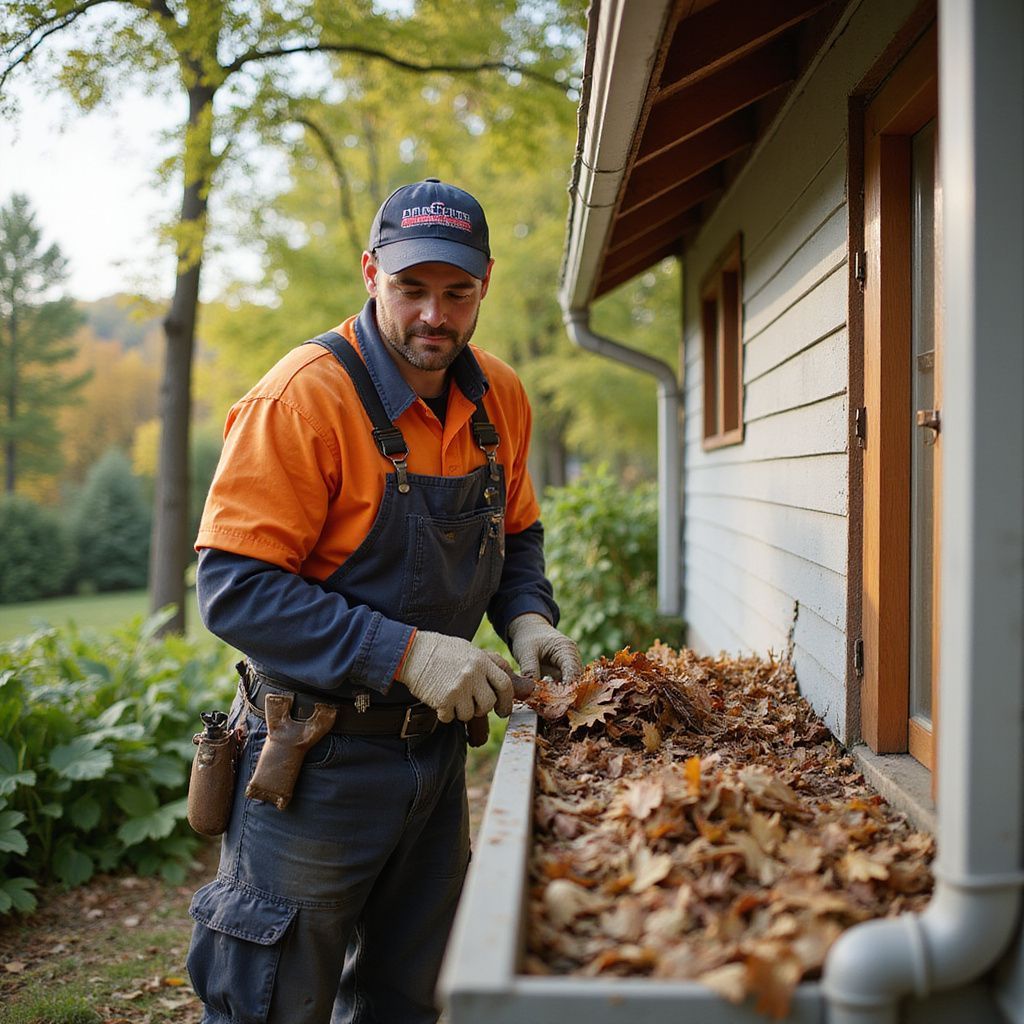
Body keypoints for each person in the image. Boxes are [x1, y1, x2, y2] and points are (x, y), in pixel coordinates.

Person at [185, 178, 581, 1024]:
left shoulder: (499, 399)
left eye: (457, 292)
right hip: (314, 763)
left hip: (433, 761)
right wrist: (409, 653)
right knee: (274, 1003)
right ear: (371, 274)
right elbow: (234, 589)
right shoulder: (302, 399)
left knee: (413, 995)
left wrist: (527, 616)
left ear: (485, 285)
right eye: (411, 289)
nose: (434, 315)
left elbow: (516, 536)